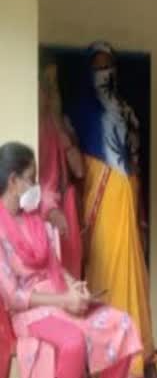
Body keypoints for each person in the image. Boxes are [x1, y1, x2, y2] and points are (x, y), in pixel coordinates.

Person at [0, 142, 142, 378]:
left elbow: (52, 263)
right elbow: (13, 296)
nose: (35, 186)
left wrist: (72, 286)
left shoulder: (34, 217)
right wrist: (63, 298)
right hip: (30, 312)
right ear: (12, 182)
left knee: (123, 326)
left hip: (58, 297)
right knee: (74, 340)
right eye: (30, 178)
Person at [70, 41, 157, 378]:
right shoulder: (79, 113)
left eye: (109, 66)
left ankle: (142, 372)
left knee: (135, 283)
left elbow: (135, 164)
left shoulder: (127, 112)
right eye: (98, 67)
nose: (106, 73)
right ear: (89, 73)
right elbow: (76, 171)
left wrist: (142, 216)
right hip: (99, 214)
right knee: (106, 285)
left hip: (128, 208)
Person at [38, 53, 85, 280]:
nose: (50, 93)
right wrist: (50, 208)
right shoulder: (33, 126)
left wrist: (61, 129)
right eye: (47, 86)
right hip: (43, 214)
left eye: (53, 88)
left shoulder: (56, 125)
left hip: (64, 208)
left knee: (71, 276)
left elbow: (79, 170)